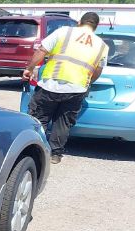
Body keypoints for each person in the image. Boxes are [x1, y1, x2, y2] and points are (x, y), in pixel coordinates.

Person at [22, 12, 108, 164]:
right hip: (76, 88)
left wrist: (30, 68)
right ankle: (55, 154)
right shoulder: (102, 46)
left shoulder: (64, 32)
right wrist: (87, 82)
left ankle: (34, 150)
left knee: (39, 117)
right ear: (96, 26)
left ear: (80, 21)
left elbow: (42, 50)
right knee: (63, 121)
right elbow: (98, 70)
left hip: (50, 84)